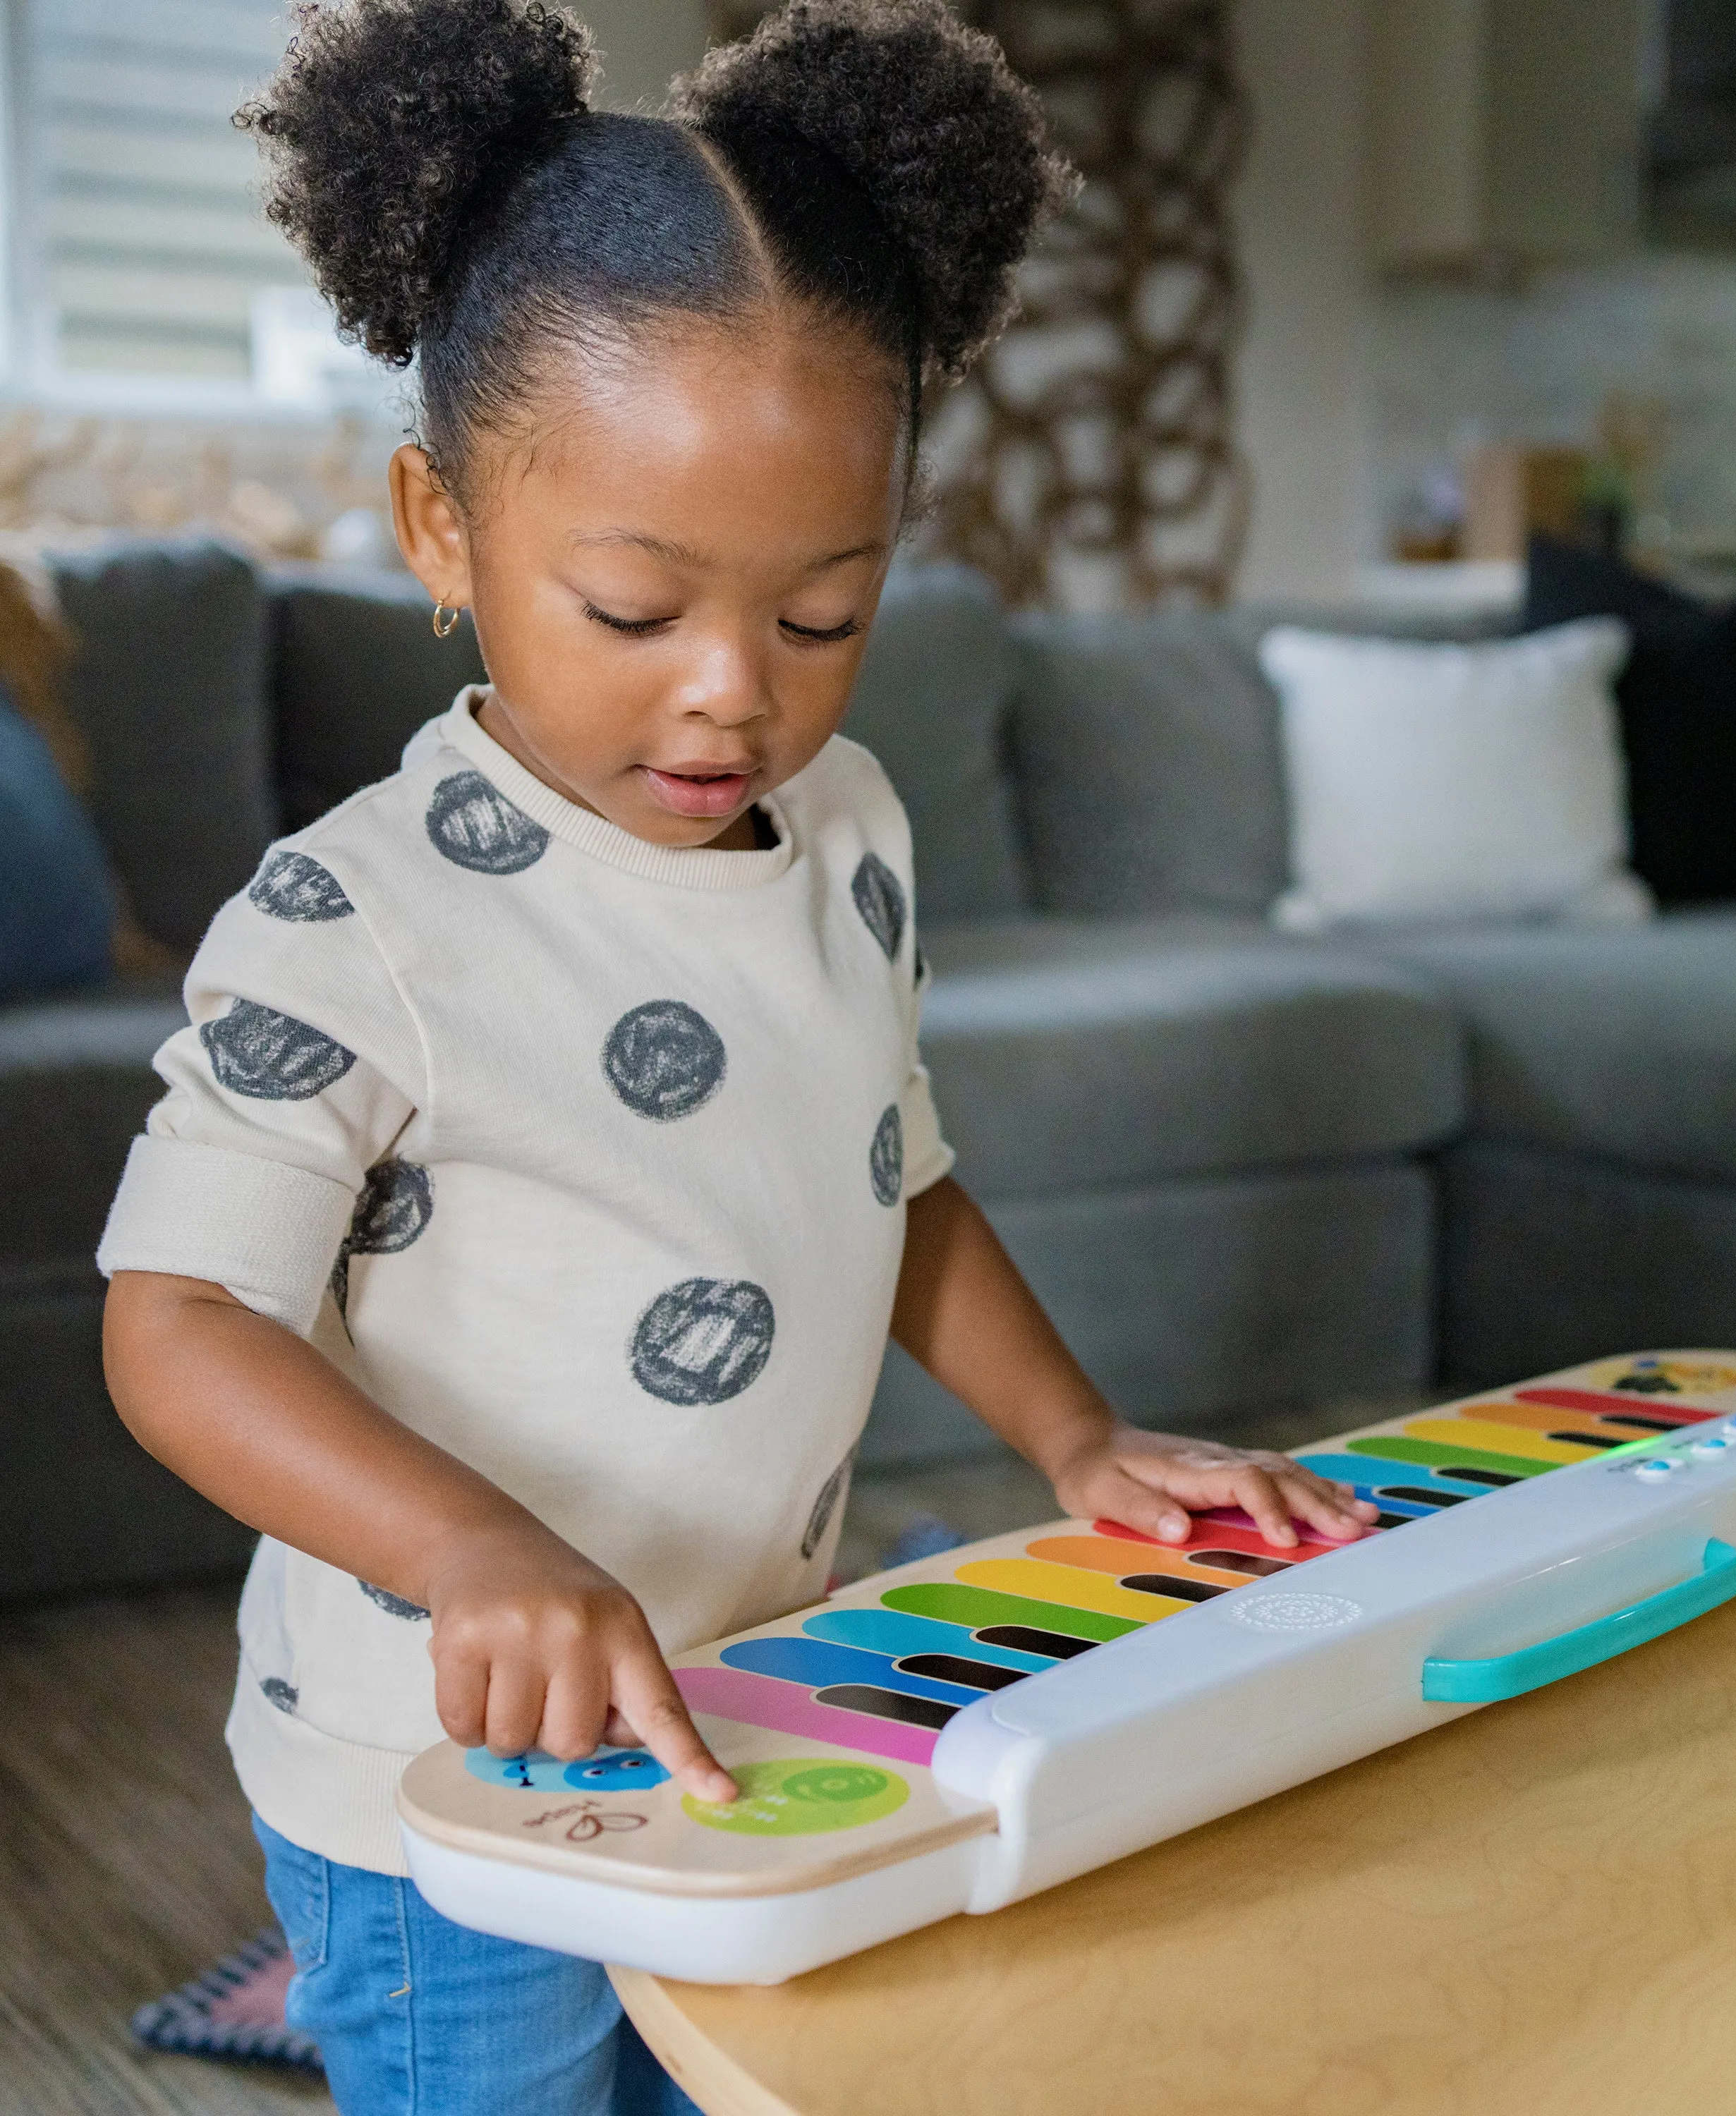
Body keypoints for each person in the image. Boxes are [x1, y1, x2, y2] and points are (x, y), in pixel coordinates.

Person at [98, 3, 1376, 2109]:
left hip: (766, 1693)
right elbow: (178, 1326)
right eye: (630, 608)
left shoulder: (853, 828)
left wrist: (1078, 1441)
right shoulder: (363, 917)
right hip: (438, 1772)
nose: (730, 700)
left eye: (822, 616)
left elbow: (901, 1177)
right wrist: (472, 1552)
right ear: (443, 530)